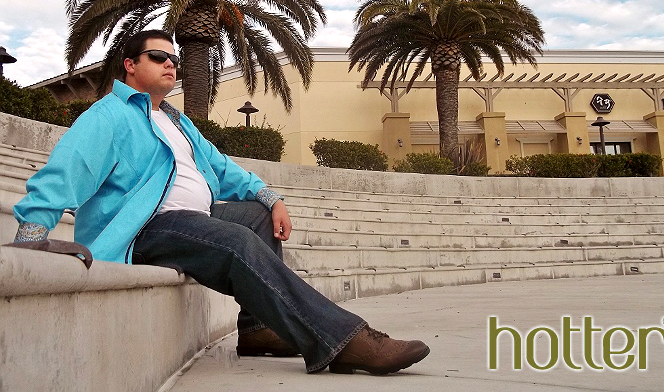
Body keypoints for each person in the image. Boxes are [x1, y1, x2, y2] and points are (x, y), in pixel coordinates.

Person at [13, 29, 429, 375]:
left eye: (174, 59)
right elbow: (68, 169)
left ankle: (258, 329)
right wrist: (32, 233)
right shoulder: (109, 116)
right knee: (237, 241)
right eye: (158, 57)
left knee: (258, 217)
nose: (170, 64)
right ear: (130, 65)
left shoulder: (176, 120)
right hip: (145, 228)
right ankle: (344, 340)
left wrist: (272, 197)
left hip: (192, 218)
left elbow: (222, 167)